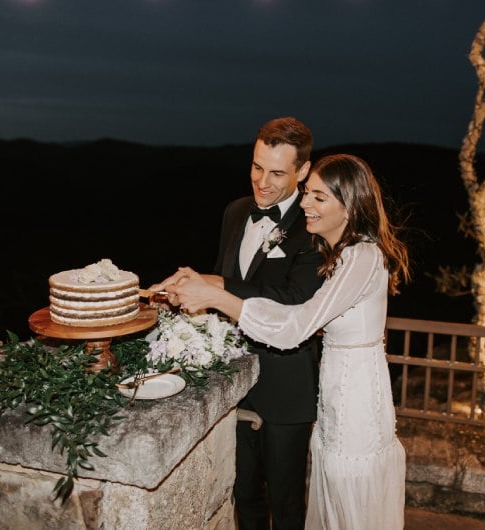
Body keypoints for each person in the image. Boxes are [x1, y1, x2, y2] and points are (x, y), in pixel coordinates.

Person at [162, 153, 411, 529]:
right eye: (307, 194)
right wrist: (215, 288)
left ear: (350, 206)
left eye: (319, 198)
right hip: (336, 395)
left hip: (357, 399)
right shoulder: (342, 256)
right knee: (332, 493)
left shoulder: (362, 256)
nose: (305, 204)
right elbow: (292, 317)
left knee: (351, 494)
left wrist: (219, 298)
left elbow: (297, 327)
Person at [150, 117, 324, 530]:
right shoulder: (235, 212)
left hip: (286, 387)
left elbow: (295, 301)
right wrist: (185, 299)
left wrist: (217, 286)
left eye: (277, 172)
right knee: (243, 494)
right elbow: (220, 276)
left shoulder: (315, 221)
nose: (262, 182)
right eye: (256, 166)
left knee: (285, 505)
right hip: (233, 377)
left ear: (302, 171)